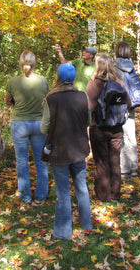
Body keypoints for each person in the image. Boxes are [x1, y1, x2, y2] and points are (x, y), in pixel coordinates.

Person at [41, 63, 92, 239]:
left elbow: (43, 128)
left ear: (58, 77)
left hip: (59, 151)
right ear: (74, 77)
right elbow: (88, 121)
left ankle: (63, 232)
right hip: (79, 149)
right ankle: (86, 224)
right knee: (82, 188)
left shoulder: (51, 99)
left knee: (63, 192)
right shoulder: (82, 96)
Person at [4, 50, 49, 204]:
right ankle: (41, 196)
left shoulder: (13, 82)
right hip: (38, 123)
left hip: (20, 123)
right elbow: (47, 99)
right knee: (40, 161)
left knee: (21, 161)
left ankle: (25, 196)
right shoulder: (42, 80)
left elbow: (8, 101)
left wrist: (16, 104)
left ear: (20, 62)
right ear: (34, 63)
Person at [86, 54, 131, 202]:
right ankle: (115, 195)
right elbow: (129, 104)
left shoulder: (94, 84)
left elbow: (90, 107)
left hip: (98, 128)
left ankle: (103, 196)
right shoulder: (118, 82)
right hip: (117, 128)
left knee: (101, 162)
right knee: (114, 161)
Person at [114, 41, 140, 178]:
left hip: (119, 105)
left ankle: (124, 169)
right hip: (132, 104)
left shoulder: (114, 67)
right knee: (131, 135)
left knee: (121, 136)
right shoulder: (132, 66)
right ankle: (134, 168)